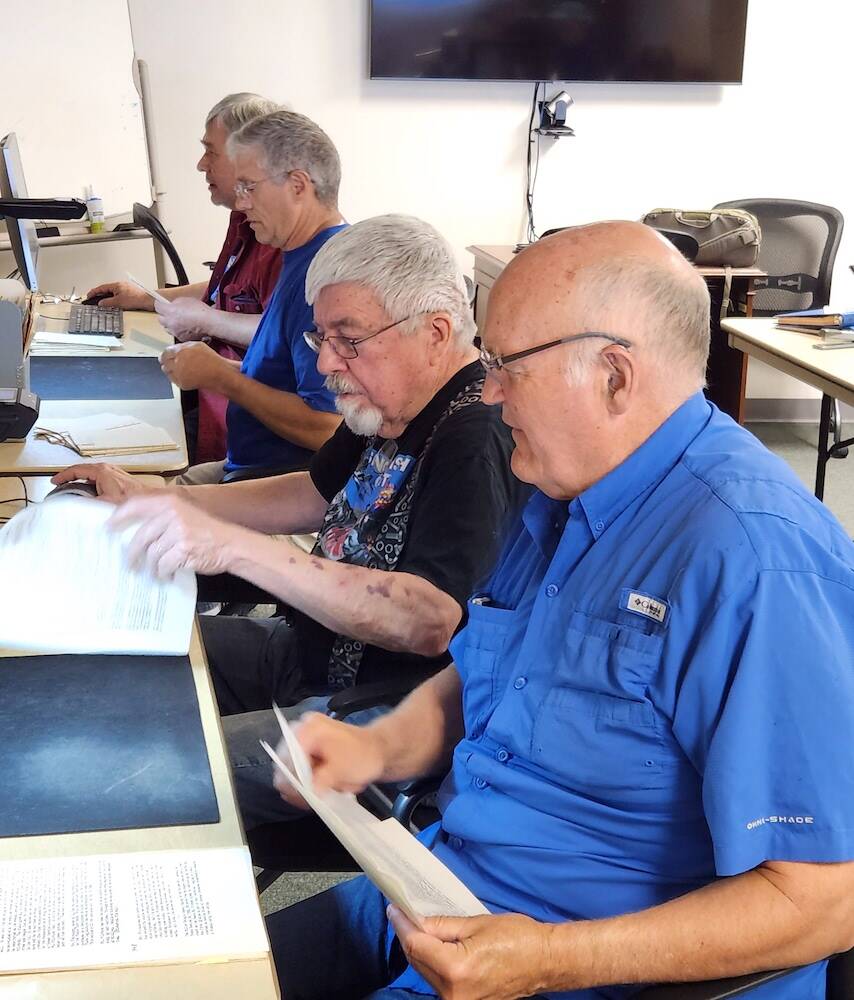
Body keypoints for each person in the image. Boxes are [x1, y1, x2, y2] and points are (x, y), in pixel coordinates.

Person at [252, 221, 854, 999]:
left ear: (613, 376)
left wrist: (547, 958)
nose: (488, 389)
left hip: (575, 966)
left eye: (506, 366)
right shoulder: (555, 492)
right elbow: (495, 674)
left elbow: (825, 903)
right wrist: (380, 747)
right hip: (447, 891)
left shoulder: (755, 561)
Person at [54, 214, 523, 830]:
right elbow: (310, 492)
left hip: (373, 713)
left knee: (132, 773)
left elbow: (430, 620)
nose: (327, 362)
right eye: (321, 337)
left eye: (348, 339)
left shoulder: (475, 433)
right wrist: (152, 498)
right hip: (304, 651)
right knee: (104, 659)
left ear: (435, 332)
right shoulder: (393, 400)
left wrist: (236, 549)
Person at [86, 93, 283, 463]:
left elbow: (280, 333)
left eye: (211, 152)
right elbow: (227, 288)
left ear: (249, 155)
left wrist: (209, 321)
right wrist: (148, 297)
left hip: (236, 417)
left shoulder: (281, 238)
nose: (200, 164)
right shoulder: (245, 219)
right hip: (212, 389)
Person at [156, 108, 348, 483]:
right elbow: (280, 380)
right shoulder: (298, 253)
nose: (241, 203)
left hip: (285, 486)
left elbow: (328, 427)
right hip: (246, 469)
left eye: (249, 187)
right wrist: (214, 367)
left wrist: (221, 378)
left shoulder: (327, 278)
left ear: (297, 185)